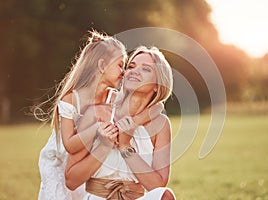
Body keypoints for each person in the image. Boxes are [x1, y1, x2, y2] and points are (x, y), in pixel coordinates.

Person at [36, 31, 162, 200]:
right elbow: (70, 146)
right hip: (59, 160)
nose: (124, 72)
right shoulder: (72, 99)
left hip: (82, 160)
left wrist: (135, 121)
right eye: (120, 65)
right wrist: (97, 128)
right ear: (102, 66)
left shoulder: (112, 97)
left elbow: (157, 108)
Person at [65, 46, 176, 200]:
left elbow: (157, 185)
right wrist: (104, 145)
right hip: (98, 198)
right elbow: (71, 180)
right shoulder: (96, 113)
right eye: (131, 66)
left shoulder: (161, 124)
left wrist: (125, 146)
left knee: (165, 196)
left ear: (158, 85)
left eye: (146, 69)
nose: (134, 71)